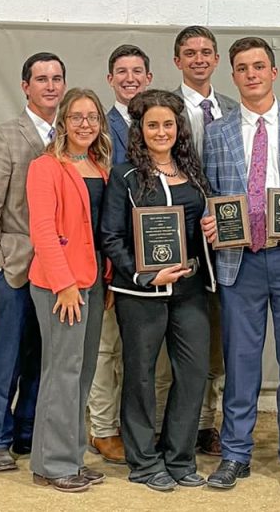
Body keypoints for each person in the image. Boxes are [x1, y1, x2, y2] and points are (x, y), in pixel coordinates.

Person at [201, 36, 280, 493]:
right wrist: (209, 221)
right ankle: (236, 453)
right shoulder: (216, 132)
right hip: (241, 261)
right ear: (232, 75)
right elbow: (210, 195)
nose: (251, 74)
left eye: (259, 66)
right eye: (242, 68)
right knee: (240, 360)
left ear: (274, 72)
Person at [100, 89, 215, 491]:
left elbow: (206, 223)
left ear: (178, 128)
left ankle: (179, 457)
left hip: (191, 289)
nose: (161, 131)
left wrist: (212, 230)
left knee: (193, 372)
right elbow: (111, 237)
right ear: (140, 129)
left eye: (168, 124)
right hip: (142, 294)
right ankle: (145, 461)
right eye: (153, 125)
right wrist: (145, 275)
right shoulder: (124, 175)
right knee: (141, 376)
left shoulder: (194, 172)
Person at [0, 52, 66, 472]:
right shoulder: (4, 137)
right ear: (25, 86)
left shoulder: (71, 139)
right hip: (13, 266)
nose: (50, 86)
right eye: (41, 79)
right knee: (5, 355)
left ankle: (27, 431)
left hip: (57, 269)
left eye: (56, 78)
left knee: (42, 356)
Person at [26, 88, 112, 492]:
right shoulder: (45, 167)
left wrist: (106, 277)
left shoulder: (100, 165)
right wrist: (64, 284)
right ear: (62, 121)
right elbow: (43, 230)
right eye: (76, 117)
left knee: (82, 373)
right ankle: (53, 463)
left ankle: (71, 456)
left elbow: (101, 230)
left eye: (92, 117)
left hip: (94, 279)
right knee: (61, 372)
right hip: (61, 284)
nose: (85, 124)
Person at [160, 25, 237, 457]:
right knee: (175, 339)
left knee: (216, 339)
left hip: (224, 237)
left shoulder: (230, 108)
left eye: (206, 52)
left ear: (216, 59)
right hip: (176, 235)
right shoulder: (163, 107)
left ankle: (209, 423)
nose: (199, 59)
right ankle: (170, 424)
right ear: (178, 61)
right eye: (190, 53)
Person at [88, 43, 153, 464]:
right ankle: (102, 427)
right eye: (121, 72)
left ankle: (148, 425)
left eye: (137, 71)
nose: (130, 78)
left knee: (148, 353)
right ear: (110, 79)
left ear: (148, 77)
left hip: (157, 257)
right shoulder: (98, 125)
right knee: (106, 348)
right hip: (111, 250)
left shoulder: (160, 121)